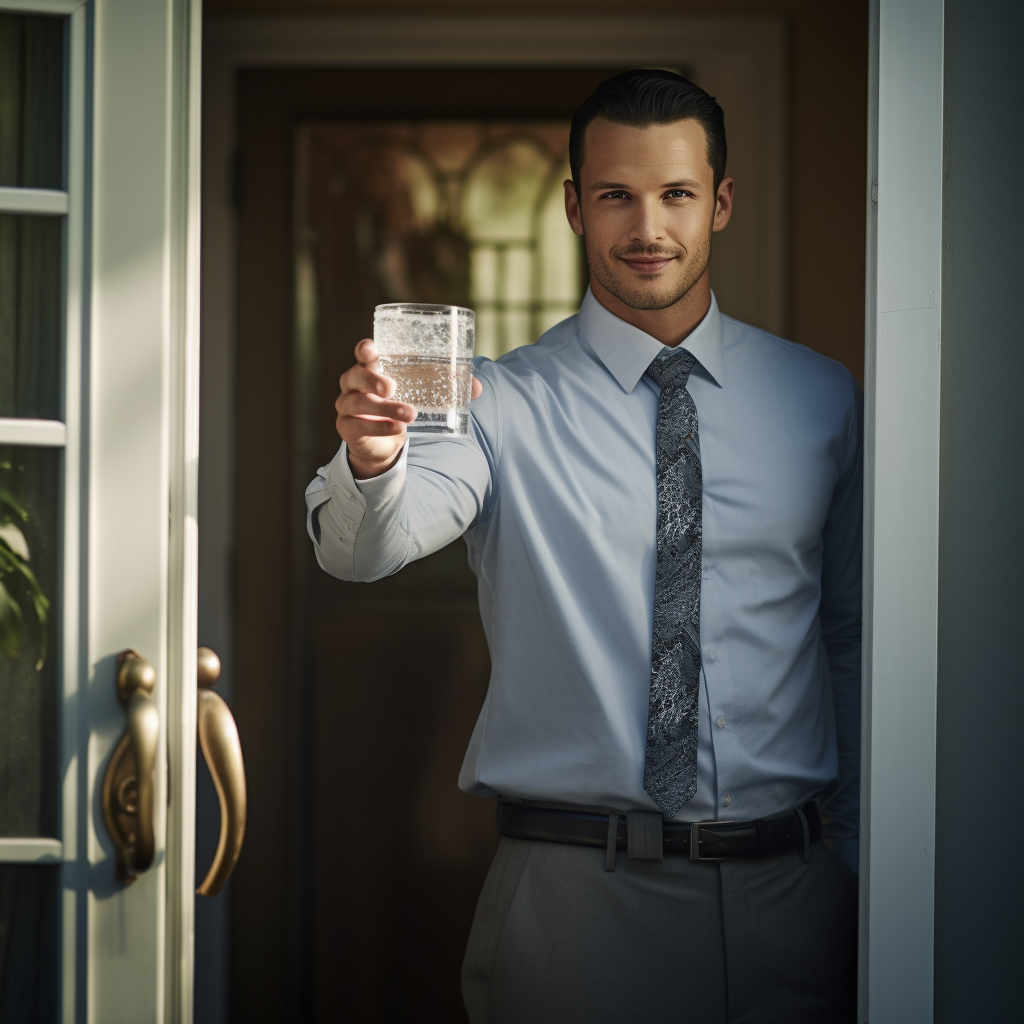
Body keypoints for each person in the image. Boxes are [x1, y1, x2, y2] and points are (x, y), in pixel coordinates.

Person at [306, 69, 861, 1024]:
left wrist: (849, 858)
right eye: (616, 195)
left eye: (676, 193)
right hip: (578, 906)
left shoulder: (822, 399)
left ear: (720, 202)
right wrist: (374, 459)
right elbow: (371, 546)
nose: (648, 226)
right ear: (573, 206)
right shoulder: (491, 402)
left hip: (797, 902)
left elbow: (849, 640)